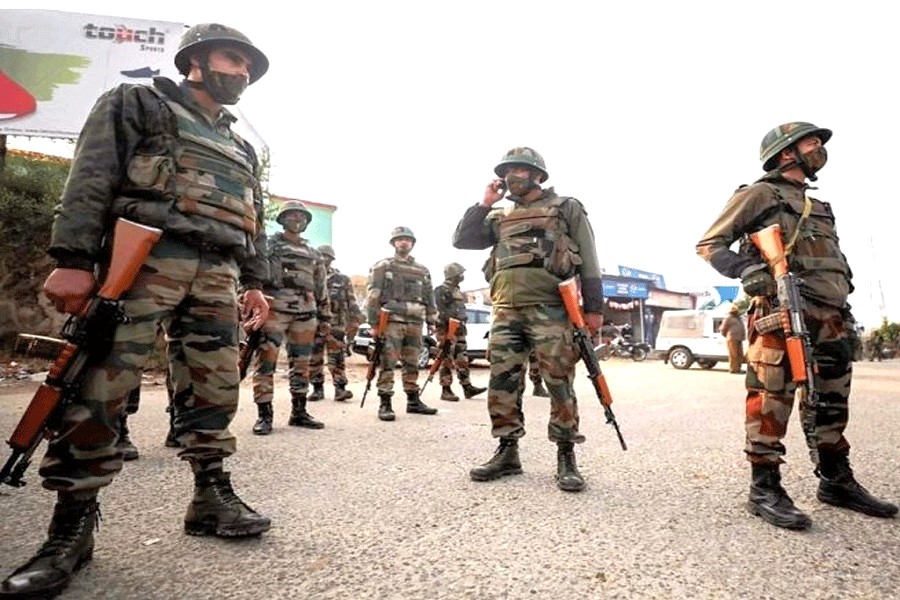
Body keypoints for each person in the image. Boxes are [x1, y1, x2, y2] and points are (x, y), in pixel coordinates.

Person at [0, 23, 273, 599]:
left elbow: (253, 218)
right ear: (196, 60)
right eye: (234, 59)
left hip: (218, 271)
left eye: (249, 66)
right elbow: (90, 178)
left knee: (215, 386)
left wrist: (255, 281)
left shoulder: (240, 144)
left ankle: (210, 496)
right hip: (145, 259)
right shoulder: (137, 103)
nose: (244, 72)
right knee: (100, 383)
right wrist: (73, 258)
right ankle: (71, 529)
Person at [696, 121, 897, 531]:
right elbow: (709, 244)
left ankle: (836, 481)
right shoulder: (758, 194)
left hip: (831, 317)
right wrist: (749, 269)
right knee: (771, 397)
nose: (819, 148)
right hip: (783, 312)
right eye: (812, 142)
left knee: (831, 400)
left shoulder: (817, 205)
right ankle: (764, 488)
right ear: (787, 153)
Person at [452, 147, 604, 493]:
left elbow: (590, 259)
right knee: (502, 381)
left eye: (519, 169)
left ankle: (566, 455)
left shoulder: (566, 207)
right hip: (506, 309)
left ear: (538, 175)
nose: (511, 176)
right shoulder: (498, 216)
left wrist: (593, 311)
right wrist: (484, 203)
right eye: (507, 171)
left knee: (558, 381)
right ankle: (507, 451)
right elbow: (463, 240)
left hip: (551, 309)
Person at [251, 201, 330, 434]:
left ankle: (299, 412)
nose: (297, 219)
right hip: (274, 311)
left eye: (302, 217)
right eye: (292, 215)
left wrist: (325, 316)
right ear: (282, 220)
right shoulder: (269, 246)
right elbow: (254, 274)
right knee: (266, 363)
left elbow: (321, 287)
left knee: (302, 364)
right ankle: (264, 415)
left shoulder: (313, 253)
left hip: (306, 313)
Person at [366, 226, 439, 421]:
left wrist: (432, 320)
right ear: (393, 243)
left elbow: (429, 296)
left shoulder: (422, 270)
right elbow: (373, 295)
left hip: (415, 322)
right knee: (388, 362)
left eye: (407, 239)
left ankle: (413, 400)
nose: (403, 242)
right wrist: (373, 324)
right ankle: (385, 403)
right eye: (399, 239)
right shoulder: (383, 266)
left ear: (412, 243)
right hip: (391, 322)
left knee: (412, 362)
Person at [308, 244, 363, 402]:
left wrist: (355, 320)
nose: (324, 259)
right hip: (314, 323)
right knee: (314, 358)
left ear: (332, 259)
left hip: (336, 325)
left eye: (327, 257)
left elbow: (351, 302)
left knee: (337, 358)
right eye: (321, 256)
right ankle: (317, 389)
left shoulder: (342, 279)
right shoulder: (309, 277)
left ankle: (340, 389)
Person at [432, 262, 487, 402]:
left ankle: (467, 387)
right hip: (446, 330)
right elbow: (441, 311)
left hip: (460, 329)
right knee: (446, 358)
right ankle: (446, 389)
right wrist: (445, 331)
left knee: (462, 359)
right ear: (453, 274)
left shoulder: (459, 292)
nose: (462, 276)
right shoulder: (441, 290)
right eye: (460, 273)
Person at [718, 305, 747, 374]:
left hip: (739, 338)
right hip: (732, 339)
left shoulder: (738, 318)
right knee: (733, 355)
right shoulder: (728, 318)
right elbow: (723, 328)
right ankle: (733, 369)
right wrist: (727, 336)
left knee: (740, 354)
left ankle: (738, 368)